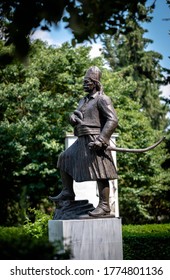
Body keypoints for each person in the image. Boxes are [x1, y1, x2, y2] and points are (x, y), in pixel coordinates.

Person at [50, 66, 118, 217]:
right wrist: (72, 118)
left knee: (100, 172)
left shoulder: (102, 99)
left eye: (87, 82)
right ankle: (68, 193)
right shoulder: (83, 100)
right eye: (83, 81)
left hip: (95, 139)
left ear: (95, 83)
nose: (84, 84)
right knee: (64, 158)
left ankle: (105, 206)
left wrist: (102, 139)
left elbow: (113, 120)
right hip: (81, 139)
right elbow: (78, 116)